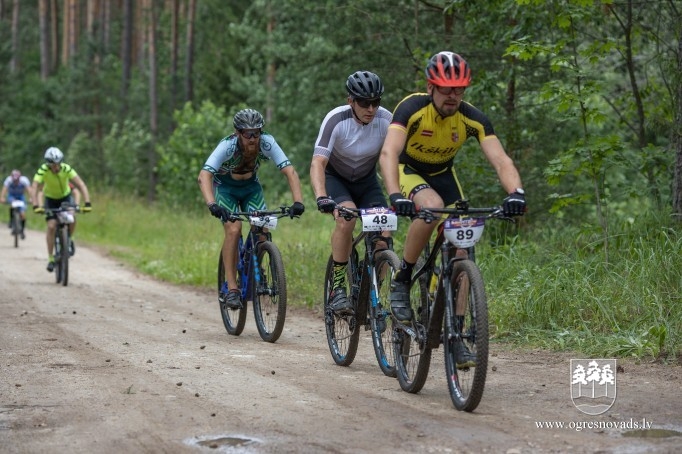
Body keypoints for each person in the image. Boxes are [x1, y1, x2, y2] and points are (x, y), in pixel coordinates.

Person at [379, 51, 527, 365]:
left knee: (462, 247)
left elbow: (501, 160)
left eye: (459, 89)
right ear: (430, 87)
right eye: (446, 89)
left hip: (444, 175)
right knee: (431, 207)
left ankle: (456, 335)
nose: (453, 95)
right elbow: (389, 153)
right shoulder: (411, 108)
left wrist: (516, 193)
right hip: (409, 171)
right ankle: (403, 278)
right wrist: (395, 195)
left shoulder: (472, 117)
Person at [198, 108, 305, 309]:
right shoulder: (227, 146)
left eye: (257, 132)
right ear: (238, 133)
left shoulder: (267, 142)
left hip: (251, 189)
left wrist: (298, 201)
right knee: (233, 229)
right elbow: (204, 176)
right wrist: (212, 204)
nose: (253, 138)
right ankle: (231, 288)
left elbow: (290, 171)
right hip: (226, 189)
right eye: (248, 134)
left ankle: (260, 265)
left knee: (262, 227)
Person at [310, 70, 393, 316]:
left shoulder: (387, 120)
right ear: (350, 101)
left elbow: (396, 159)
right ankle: (337, 289)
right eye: (364, 103)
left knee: (385, 233)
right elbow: (318, 164)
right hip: (337, 180)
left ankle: (372, 291)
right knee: (347, 220)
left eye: (375, 102)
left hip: (367, 182)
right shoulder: (335, 119)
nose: (371, 108)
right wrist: (321, 196)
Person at [31, 147, 92, 272]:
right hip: (50, 199)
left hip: (65, 197)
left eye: (58, 164)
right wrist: (36, 205)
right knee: (51, 226)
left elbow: (81, 185)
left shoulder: (67, 168)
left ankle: (69, 239)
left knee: (71, 216)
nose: (56, 167)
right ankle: (51, 259)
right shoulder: (42, 170)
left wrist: (87, 202)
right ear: (47, 164)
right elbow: (35, 186)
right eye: (53, 165)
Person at [1, 169, 33, 239]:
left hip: (21, 196)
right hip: (12, 195)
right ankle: (11, 221)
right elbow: (4, 189)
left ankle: (22, 230)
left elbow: (29, 190)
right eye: (14, 180)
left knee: (23, 214)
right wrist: (2, 197)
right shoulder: (8, 180)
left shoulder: (24, 180)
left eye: (17, 180)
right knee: (12, 205)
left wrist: (31, 198)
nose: (15, 182)